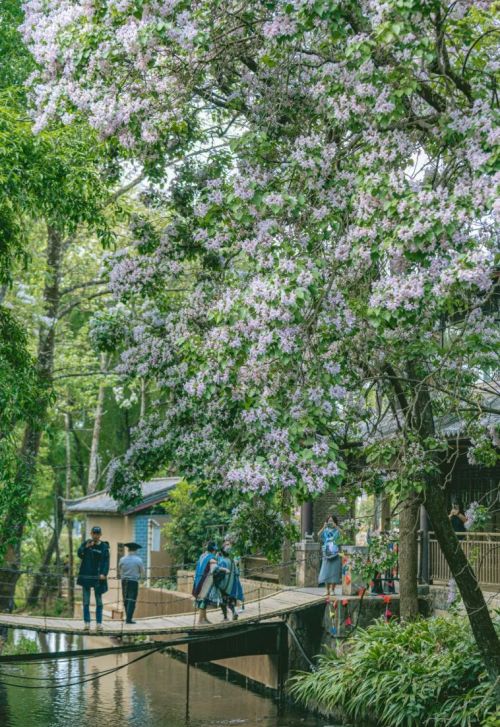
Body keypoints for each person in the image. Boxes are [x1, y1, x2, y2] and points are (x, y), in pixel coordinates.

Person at [77, 526, 110, 632]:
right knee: (86, 602)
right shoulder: (87, 543)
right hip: (86, 576)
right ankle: (87, 623)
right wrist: (86, 547)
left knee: (99, 602)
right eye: (94, 533)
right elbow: (79, 554)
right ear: (91, 534)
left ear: (100, 535)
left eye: (97, 533)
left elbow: (106, 562)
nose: (95, 535)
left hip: (98, 578)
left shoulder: (104, 547)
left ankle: (99, 624)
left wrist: (104, 573)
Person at [192, 542, 227, 624]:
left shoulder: (202, 555)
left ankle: (205, 618)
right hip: (205, 582)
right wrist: (225, 570)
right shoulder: (211, 558)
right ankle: (200, 620)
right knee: (203, 600)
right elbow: (215, 569)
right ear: (214, 550)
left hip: (198, 580)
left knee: (202, 599)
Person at [119, 542, 145, 625]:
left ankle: (128, 617)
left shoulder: (122, 559)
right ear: (136, 550)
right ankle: (129, 619)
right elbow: (142, 572)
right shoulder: (138, 560)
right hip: (133, 582)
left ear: (128, 550)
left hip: (124, 581)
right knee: (132, 600)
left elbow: (120, 568)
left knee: (125, 599)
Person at [218, 542, 244, 622]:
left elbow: (219, 573)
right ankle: (234, 612)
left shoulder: (222, 561)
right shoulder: (232, 561)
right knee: (231, 601)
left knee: (222, 601)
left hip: (224, 586)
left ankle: (225, 617)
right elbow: (237, 573)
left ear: (222, 552)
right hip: (232, 585)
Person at [318, 515, 342, 598]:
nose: (330, 522)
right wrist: (323, 527)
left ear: (335, 522)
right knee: (326, 571)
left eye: (332, 521)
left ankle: (332, 590)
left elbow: (343, 535)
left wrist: (337, 527)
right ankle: (327, 590)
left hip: (335, 553)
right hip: (327, 553)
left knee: (334, 572)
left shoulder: (337, 530)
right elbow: (318, 535)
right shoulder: (325, 530)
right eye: (329, 521)